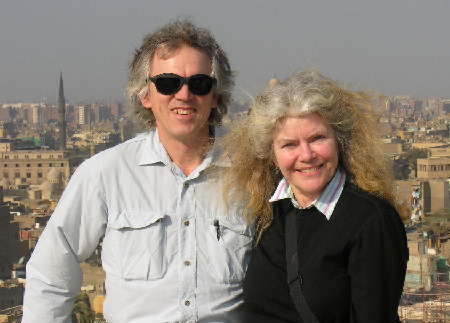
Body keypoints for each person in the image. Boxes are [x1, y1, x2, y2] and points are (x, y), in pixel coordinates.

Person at [23, 18, 253, 322]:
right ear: (145, 95)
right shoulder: (105, 174)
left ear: (215, 95)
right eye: (168, 83)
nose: (184, 95)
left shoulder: (250, 174)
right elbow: (50, 276)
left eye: (198, 83)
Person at [222, 69, 408, 322]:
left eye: (318, 138)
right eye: (290, 144)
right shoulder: (268, 214)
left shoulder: (369, 220)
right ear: (272, 156)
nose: (307, 155)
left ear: (339, 142)